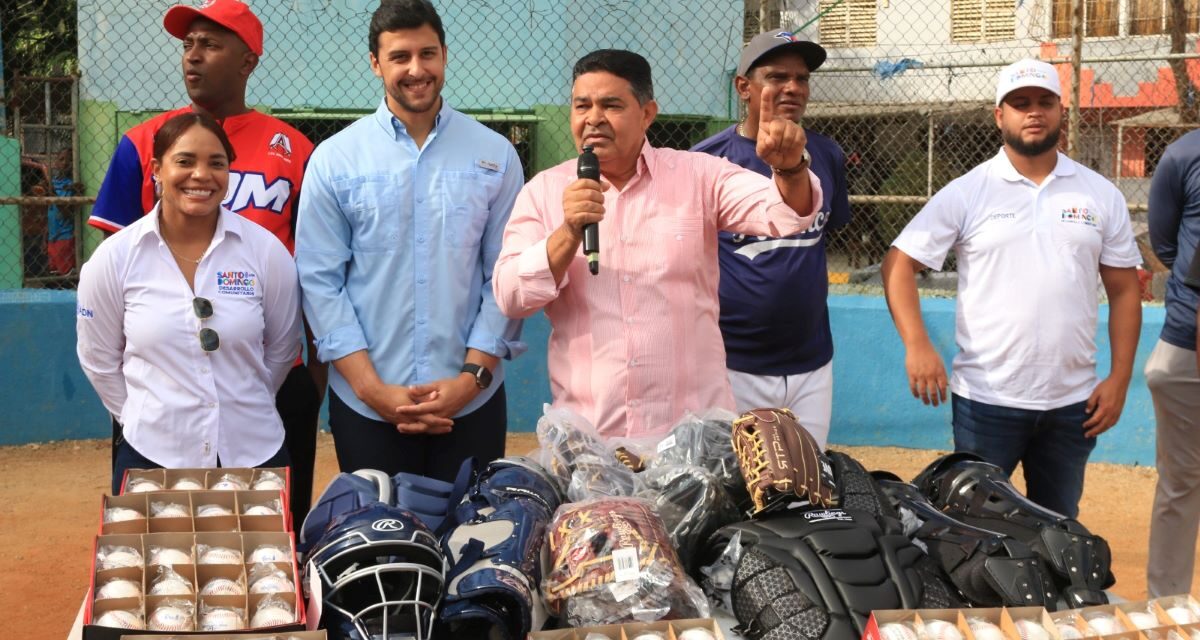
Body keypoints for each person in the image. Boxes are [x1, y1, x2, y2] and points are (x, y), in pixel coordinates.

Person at [494, 49, 823, 441]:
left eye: (611, 105)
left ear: (647, 113)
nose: (593, 118)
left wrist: (790, 169)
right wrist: (567, 232)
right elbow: (511, 296)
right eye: (582, 105)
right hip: (590, 439)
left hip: (694, 438)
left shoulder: (699, 176)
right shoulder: (544, 192)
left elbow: (786, 215)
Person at [87, 0, 321, 527]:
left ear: (247, 61)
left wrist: (308, 379)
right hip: (161, 389)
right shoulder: (142, 143)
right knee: (159, 538)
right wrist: (137, 403)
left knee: (272, 541)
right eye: (188, 44)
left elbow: (311, 272)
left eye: (210, 45)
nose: (192, 56)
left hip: (269, 382)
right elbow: (112, 278)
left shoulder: (294, 149)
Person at [880, 59, 1142, 519]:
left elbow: (1124, 291)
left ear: (1061, 111)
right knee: (975, 530)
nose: (1034, 112)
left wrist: (1119, 379)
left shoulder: (1100, 194)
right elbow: (898, 264)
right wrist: (917, 344)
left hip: (1072, 405)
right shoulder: (969, 191)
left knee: (1058, 528)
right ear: (1000, 115)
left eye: (1044, 102)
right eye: (1020, 104)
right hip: (986, 400)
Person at [295, 0, 525, 482]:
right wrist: (371, 389)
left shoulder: (496, 155)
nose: (416, 70)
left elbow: (505, 277)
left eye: (427, 54)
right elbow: (320, 281)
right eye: (399, 57)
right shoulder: (335, 160)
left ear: (445, 55)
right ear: (376, 63)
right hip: (367, 406)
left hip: (472, 402)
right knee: (378, 528)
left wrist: (471, 379)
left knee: (472, 528)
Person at [77, 112, 302, 494]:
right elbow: (98, 359)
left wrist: (246, 403)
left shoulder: (265, 252)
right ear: (156, 169)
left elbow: (283, 348)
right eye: (184, 161)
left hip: (254, 452)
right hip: (152, 456)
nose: (201, 175)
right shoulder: (115, 258)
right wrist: (140, 417)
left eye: (217, 163)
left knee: (258, 539)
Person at [692, 30, 850, 449]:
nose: (793, 88)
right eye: (778, 77)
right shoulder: (705, 161)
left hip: (812, 361)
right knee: (738, 480)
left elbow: (825, 236)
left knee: (809, 477)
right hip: (733, 363)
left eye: (802, 78)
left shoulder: (826, 154)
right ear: (744, 87)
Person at [1144, 129, 1200, 598]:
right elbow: (1167, 247)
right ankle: (1168, 607)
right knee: (1182, 481)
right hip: (1188, 339)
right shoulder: (1183, 155)